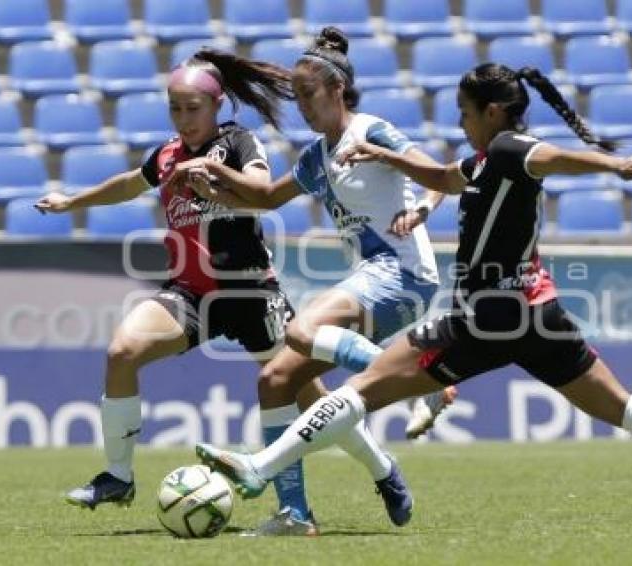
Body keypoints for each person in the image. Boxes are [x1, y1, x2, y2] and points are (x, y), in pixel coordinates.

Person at [193, 63, 632, 519]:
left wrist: (610, 164)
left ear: (494, 111)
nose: (462, 124)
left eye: (466, 113)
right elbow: (444, 179)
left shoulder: (508, 148)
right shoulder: (483, 160)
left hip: (481, 318)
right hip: (539, 313)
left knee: (364, 388)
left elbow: (548, 157)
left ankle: (260, 467)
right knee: (621, 407)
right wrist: (388, 157)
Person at [165, 27, 456, 535]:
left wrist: (419, 203)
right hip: (371, 278)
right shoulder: (316, 156)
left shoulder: (373, 130)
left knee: (302, 328)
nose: (300, 106)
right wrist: (211, 178)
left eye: (308, 95)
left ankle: (421, 383)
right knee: (275, 379)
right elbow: (265, 199)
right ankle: (297, 515)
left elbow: (441, 178)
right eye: (295, 96)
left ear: (337, 90)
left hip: (407, 276)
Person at [34, 49, 296, 511]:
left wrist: (215, 179)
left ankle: (380, 467)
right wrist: (71, 202)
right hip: (191, 293)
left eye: (193, 108)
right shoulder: (169, 155)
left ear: (217, 107)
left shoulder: (238, 143)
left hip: (249, 291)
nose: (183, 117)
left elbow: (260, 187)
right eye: (175, 108)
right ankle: (117, 476)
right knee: (122, 353)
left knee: (307, 391)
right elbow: (130, 183)